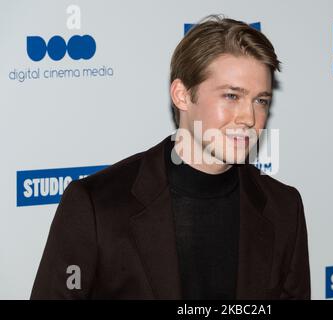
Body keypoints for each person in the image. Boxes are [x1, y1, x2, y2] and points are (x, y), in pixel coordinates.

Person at [31, 15, 310, 300]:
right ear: (181, 95)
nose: (249, 117)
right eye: (231, 96)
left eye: (260, 100)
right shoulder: (97, 206)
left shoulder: (284, 209)